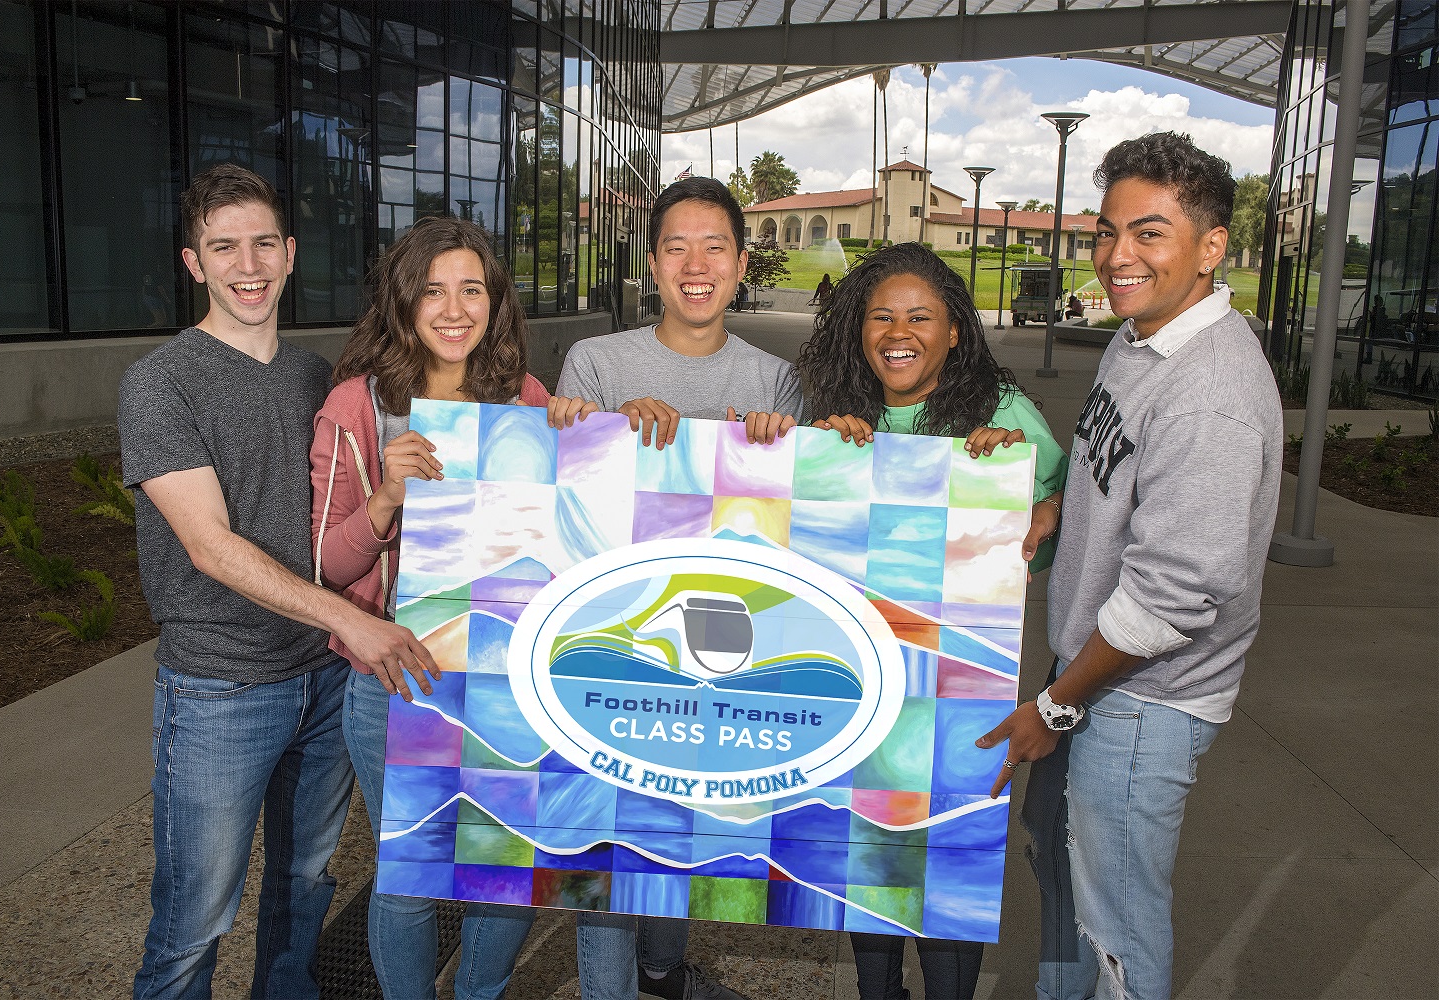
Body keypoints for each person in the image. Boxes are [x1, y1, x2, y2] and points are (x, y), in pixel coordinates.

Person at [460, 176, 799, 1000]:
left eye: (714, 245)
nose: (696, 263)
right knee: (612, 847)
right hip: (616, 647)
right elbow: (562, 504)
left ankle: (661, 969)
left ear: (741, 262)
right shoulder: (597, 363)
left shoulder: (775, 382)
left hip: (718, 649)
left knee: (680, 825)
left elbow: (795, 529)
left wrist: (781, 446)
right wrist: (602, 430)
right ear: (652, 263)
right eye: (676, 245)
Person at [120, 162, 439, 999]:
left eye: (264, 242)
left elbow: (355, 522)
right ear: (194, 264)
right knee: (195, 924)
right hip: (221, 688)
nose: (247, 263)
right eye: (223, 247)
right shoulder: (159, 383)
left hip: (326, 682)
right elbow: (211, 548)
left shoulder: (316, 379)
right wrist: (356, 621)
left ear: (291, 253)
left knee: (302, 895)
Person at [977, 132, 1282, 1000]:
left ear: (1211, 246)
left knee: (1117, 924)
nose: (1117, 256)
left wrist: (1054, 706)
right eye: (1108, 232)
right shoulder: (1142, 337)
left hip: (1143, 699)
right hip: (1089, 669)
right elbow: (1117, 469)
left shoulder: (1214, 394)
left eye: (1149, 234)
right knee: (1065, 876)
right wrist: (1058, 507)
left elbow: (1171, 600)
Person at [309, 215, 595, 1000]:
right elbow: (328, 567)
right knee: (408, 876)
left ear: (496, 302)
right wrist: (386, 497)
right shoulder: (358, 408)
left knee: (500, 866)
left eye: (472, 288)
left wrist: (580, 437)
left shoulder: (524, 398)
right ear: (403, 304)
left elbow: (570, 531)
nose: (453, 307)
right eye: (432, 290)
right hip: (391, 681)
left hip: (503, 677)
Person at [797, 242, 1066, 1000]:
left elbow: (1056, 530)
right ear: (858, 329)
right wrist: (816, 455)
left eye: (920, 316)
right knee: (872, 857)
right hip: (859, 684)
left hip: (956, 689)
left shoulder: (1003, 414)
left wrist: (1017, 487)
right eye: (880, 316)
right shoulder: (840, 417)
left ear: (955, 331)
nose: (897, 331)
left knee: (945, 858)